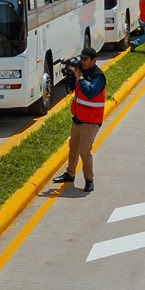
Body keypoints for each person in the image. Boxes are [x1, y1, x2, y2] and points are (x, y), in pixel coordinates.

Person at [55, 51, 105, 192]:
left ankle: (89, 180)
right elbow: (72, 88)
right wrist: (72, 74)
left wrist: (80, 78)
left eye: (85, 59)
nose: (82, 61)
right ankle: (70, 173)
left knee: (84, 152)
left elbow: (90, 93)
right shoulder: (81, 71)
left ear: (94, 60)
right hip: (78, 118)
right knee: (73, 147)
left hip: (91, 122)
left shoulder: (99, 76)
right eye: (81, 58)